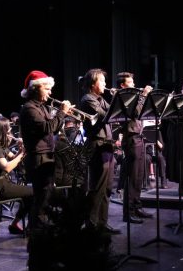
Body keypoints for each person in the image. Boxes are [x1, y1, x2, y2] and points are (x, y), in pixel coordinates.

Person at [19, 70, 71, 228]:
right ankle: (37, 233)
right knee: (41, 199)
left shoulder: (41, 107)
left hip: (46, 156)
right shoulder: (29, 109)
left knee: (45, 197)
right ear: (35, 88)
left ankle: (39, 230)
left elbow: (53, 129)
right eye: (47, 89)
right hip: (38, 158)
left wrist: (61, 115)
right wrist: (62, 112)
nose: (50, 92)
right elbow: (48, 127)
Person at [79, 68, 119, 234]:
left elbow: (116, 114)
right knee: (98, 187)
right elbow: (106, 115)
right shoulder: (88, 99)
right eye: (102, 81)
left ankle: (102, 222)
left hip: (107, 145)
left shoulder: (101, 98)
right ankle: (92, 223)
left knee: (107, 187)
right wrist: (118, 99)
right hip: (97, 145)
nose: (105, 84)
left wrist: (118, 100)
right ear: (93, 83)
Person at [0, 116, 33, 234]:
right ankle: (32, 228)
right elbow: (6, 167)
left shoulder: (1, 147)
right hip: (1, 187)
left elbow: (14, 159)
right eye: (8, 128)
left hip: (3, 184)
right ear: (2, 130)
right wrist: (21, 154)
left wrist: (22, 149)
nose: (10, 130)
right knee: (35, 192)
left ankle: (15, 224)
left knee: (30, 194)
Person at [116, 71, 153, 224]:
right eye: (130, 83)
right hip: (131, 139)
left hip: (138, 136)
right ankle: (128, 212)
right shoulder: (123, 97)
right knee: (132, 178)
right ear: (123, 85)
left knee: (138, 176)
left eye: (133, 82)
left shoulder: (132, 97)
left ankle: (137, 206)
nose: (134, 85)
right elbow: (135, 113)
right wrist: (143, 95)